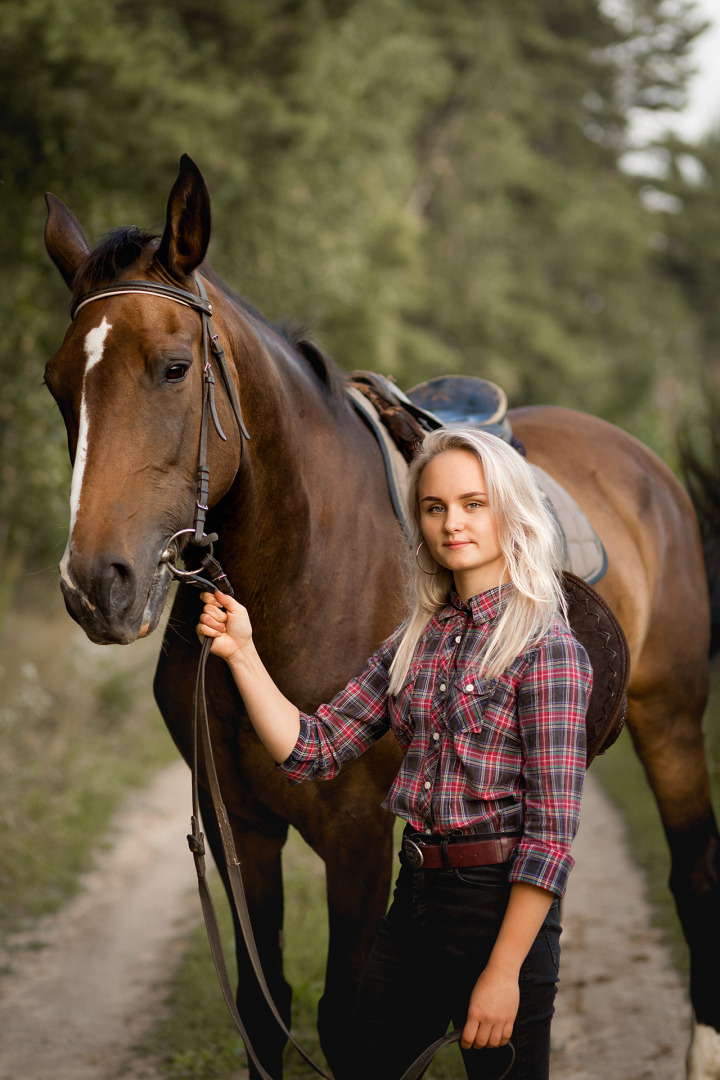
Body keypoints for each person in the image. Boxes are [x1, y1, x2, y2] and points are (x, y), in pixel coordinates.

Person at [196, 427, 592, 1080]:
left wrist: (503, 973)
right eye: (434, 507)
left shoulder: (546, 650)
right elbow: (313, 749)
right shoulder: (417, 641)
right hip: (414, 902)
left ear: (510, 511)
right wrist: (242, 652)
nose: (451, 522)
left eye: (473, 503)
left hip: (500, 911)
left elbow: (550, 838)